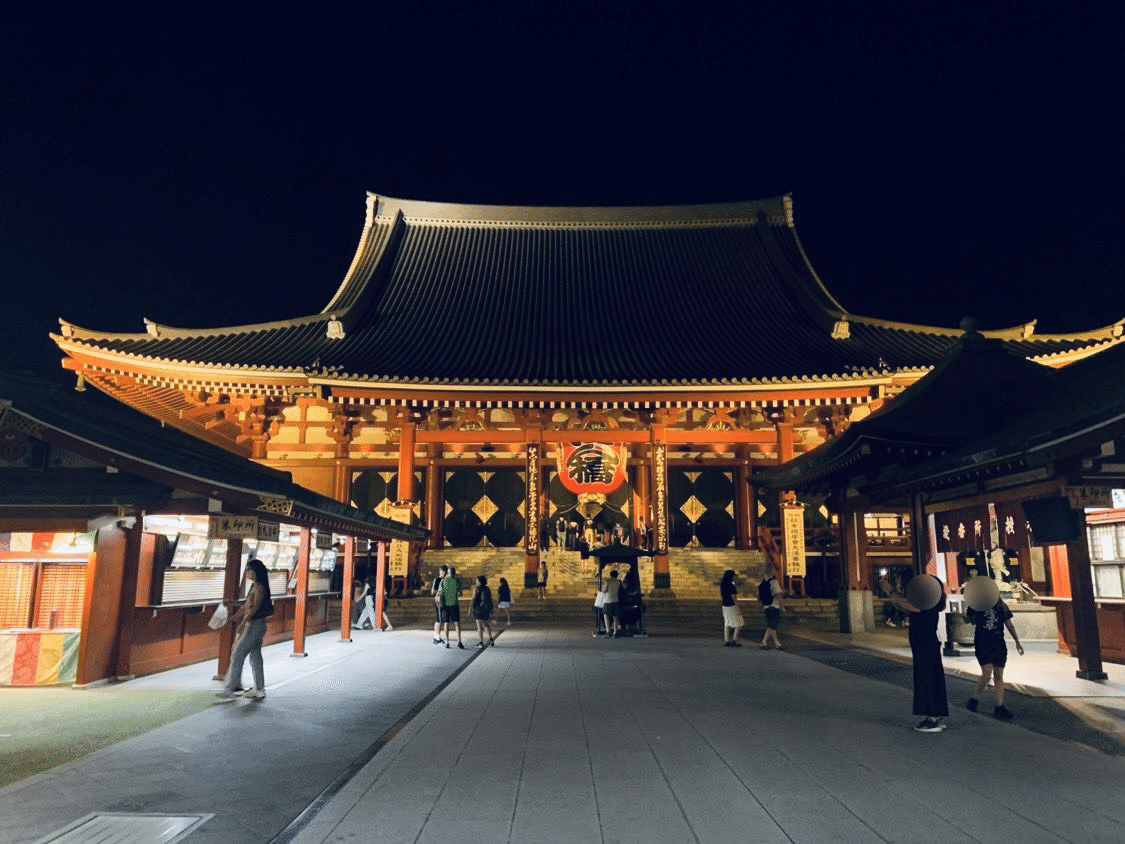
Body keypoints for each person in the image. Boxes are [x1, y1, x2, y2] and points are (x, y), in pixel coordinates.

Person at [881, 574, 949, 732]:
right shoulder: (930, 601)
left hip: (925, 644)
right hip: (925, 644)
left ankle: (933, 719)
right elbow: (903, 606)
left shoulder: (926, 602)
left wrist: (892, 592)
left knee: (927, 678)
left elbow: (910, 605)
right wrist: (892, 596)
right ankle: (936, 716)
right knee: (931, 678)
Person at [216, 558, 274, 702]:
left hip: (253, 626)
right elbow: (246, 607)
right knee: (255, 657)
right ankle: (259, 689)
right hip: (258, 626)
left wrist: (243, 622)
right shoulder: (256, 586)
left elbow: (254, 608)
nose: (247, 572)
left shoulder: (259, 587)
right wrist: (234, 607)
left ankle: (228, 690)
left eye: (249, 570)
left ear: (256, 572)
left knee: (237, 655)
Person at [964, 597, 1024, 720]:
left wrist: (1017, 641)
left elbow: (1009, 624)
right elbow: (972, 620)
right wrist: (965, 617)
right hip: (983, 642)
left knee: (998, 674)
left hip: (997, 642)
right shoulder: (977, 603)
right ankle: (974, 700)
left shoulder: (1000, 605)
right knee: (987, 673)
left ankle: (999, 706)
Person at [440, 566, 464, 649]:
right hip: (455, 604)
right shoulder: (457, 581)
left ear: (448, 573)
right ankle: (459, 640)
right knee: (457, 623)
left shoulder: (443, 581)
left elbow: (440, 593)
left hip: (446, 605)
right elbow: (460, 593)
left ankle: (447, 642)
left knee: (446, 623)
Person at [471, 574, 496, 648]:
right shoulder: (487, 588)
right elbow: (490, 598)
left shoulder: (476, 588)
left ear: (480, 581)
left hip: (478, 608)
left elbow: (473, 598)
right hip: (486, 609)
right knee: (485, 624)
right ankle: (491, 639)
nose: (476, 582)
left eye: (477, 580)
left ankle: (481, 642)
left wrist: (470, 607)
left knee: (479, 626)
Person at [759, 573, 783, 649]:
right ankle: (764, 641)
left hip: (766, 606)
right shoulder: (774, 582)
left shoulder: (762, 583)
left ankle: (776, 643)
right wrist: (782, 606)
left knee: (771, 625)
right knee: (772, 625)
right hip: (774, 605)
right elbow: (778, 594)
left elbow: (758, 596)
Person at [720, 569, 742, 647]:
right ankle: (734, 640)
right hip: (731, 605)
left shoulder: (723, 584)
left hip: (724, 605)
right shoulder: (731, 585)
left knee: (727, 623)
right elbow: (734, 597)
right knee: (738, 623)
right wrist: (737, 607)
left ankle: (726, 640)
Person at [600, 569, 623, 637]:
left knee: (606, 616)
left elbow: (604, 590)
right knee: (615, 617)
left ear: (610, 575)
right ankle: (615, 632)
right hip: (616, 600)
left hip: (608, 601)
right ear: (617, 575)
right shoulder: (619, 582)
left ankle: (608, 631)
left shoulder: (607, 581)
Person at [431, 565, 448, 644]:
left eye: (445, 572)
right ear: (440, 572)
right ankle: (437, 636)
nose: (444, 573)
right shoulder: (437, 580)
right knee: (439, 619)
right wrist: (440, 591)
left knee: (441, 619)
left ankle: (436, 636)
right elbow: (433, 591)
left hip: (445, 601)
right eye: (443, 571)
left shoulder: (447, 580)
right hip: (439, 601)